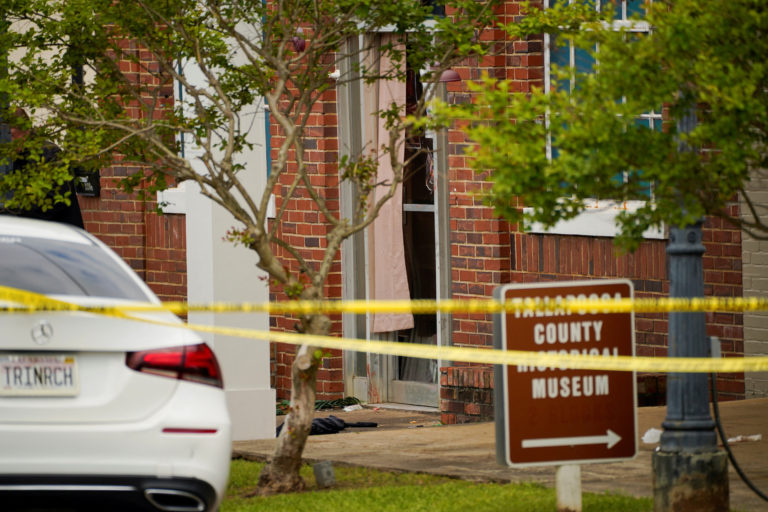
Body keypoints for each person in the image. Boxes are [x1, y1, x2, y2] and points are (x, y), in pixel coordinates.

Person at [1, 108, 84, 228]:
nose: (8, 142)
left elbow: (55, 201)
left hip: (58, 233)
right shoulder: (12, 158)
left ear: (26, 131)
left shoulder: (49, 153)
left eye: (12, 135)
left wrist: (13, 213)